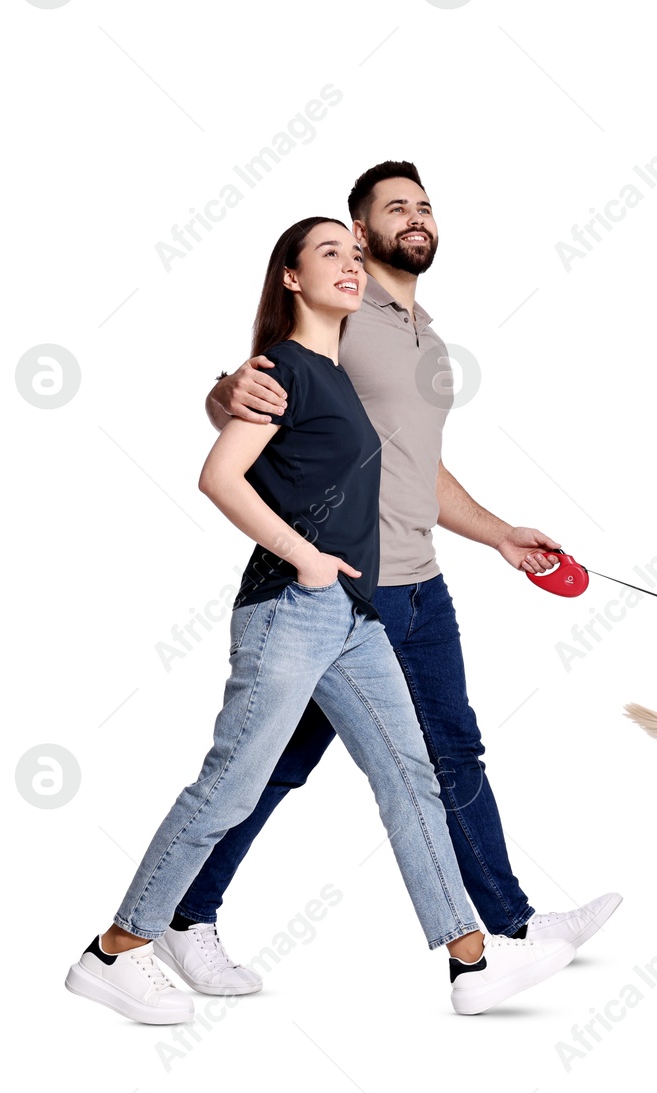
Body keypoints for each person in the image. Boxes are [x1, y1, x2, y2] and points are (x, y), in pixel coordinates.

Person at [65, 217, 574, 1023]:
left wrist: (496, 534)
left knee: (411, 776)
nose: (351, 262)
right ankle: (115, 951)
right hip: (289, 611)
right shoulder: (280, 372)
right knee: (231, 784)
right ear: (291, 278)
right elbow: (219, 474)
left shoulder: (336, 374)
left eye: (355, 252)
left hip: (352, 615)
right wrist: (301, 553)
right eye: (329, 251)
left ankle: (469, 961)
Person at [153, 162, 619, 998]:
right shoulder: (343, 315)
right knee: (273, 768)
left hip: (420, 584)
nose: (416, 216)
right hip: (345, 589)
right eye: (393, 207)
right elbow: (252, 397)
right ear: (359, 236)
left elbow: (418, 469)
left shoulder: (426, 336)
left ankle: (507, 927)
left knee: (447, 752)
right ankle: (183, 920)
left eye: (425, 205)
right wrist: (226, 387)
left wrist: (500, 534)